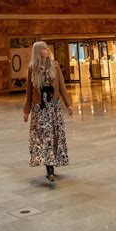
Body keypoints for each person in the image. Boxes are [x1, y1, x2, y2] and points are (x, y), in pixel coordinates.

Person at [23, 41, 73, 183]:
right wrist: (26, 111)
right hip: (40, 108)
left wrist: (68, 104)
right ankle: (49, 168)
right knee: (44, 137)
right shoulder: (32, 68)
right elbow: (29, 91)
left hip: (54, 106)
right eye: (44, 49)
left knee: (54, 135)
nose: (47, 50)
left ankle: (52, 165)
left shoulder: (55, 66)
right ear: (38, 52)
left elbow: (62, 87)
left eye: (47, 48)